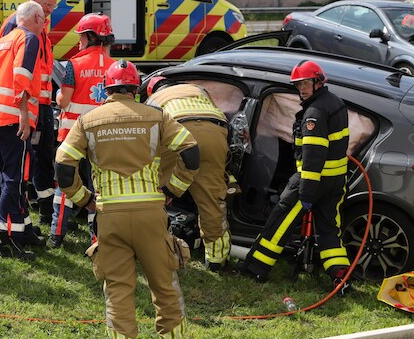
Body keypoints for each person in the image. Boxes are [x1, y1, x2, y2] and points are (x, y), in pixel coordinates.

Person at [55, 60, 199, 339]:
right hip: (151, 214)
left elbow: (63, 165)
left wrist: (83, 199)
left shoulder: (89, 120)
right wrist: (174, 188)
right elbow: (192, 152)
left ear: (106, 88)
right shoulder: (157, 117)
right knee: (164, 285)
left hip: (110, 216)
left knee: (119, 288)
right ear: (136, 87)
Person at [240, 60, 351, 291]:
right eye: (298, 84)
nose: (301, 88)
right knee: (330, 230)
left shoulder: (315, 113)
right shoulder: (335, 103)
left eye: (305, 83)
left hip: (313, 180)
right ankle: (341, 274)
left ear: (318, 82)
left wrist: (306, 192)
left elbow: (313, 156)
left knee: (278, 224)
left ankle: (255, 269)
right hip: (336, 182)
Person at [0, 1, 46, 260]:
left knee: (13, 175)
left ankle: (21, 230)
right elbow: (21, 76)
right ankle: (4, 236)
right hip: (12, 118)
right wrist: (23, 115)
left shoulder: (2, 41)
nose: (44, 25)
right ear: (36, 18)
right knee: (14, 178)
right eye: (43, 19)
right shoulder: (29, 39)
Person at [146, 77, 233, 272]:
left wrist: (169, 188)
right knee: (212, 199)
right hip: (214, 131)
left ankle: (153, 249)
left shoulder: (153, 100)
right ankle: (217, 260)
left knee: (155, 191)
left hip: (177, 130)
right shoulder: (196, 89)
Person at [49, 12, 114, 248]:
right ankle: (96, 239)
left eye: (82, 36)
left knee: (66, 184)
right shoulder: (115, 67)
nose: (79, 41)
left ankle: (56, 235)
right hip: (104, 137)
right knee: (97, 187)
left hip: (72, 136)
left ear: (91, 37)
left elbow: (64, 101)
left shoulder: (73, 65)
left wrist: (56, 94)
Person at [0, 0, 59, 232]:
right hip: (26, 109)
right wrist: (24, 112)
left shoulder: (38, 26)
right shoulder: (20, 26)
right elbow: (16, 74)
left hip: (41, 105)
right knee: (25, 162)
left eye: (52, 8)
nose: (49, 13)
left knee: (43, 157)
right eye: (47, 6)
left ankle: (43, 210)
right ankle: (22, 216)